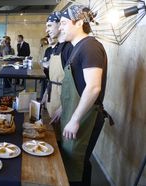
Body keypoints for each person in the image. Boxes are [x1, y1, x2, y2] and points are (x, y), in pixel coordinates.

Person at [55, 5, 113, 185]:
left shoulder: (90, 47)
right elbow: (78, 85)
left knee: (77, 166)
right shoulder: (77, 47)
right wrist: (62, 108)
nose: (60, 28)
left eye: (64, 23)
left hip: (86, 118)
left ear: (79, 22)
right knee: (72, 163)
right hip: (76, 114)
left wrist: (75, 119)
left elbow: (93, 88)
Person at [43, 11, 73, 142]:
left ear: (59, 24)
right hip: (52, 96)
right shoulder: (56, 48)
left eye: (49, 25)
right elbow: (53, 77)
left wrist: (63, 107)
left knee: (59, 142)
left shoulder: (69, 48)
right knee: (52, 136)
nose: (46, 29)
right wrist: (45, 93)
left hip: (62, 101)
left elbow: (73, 84)